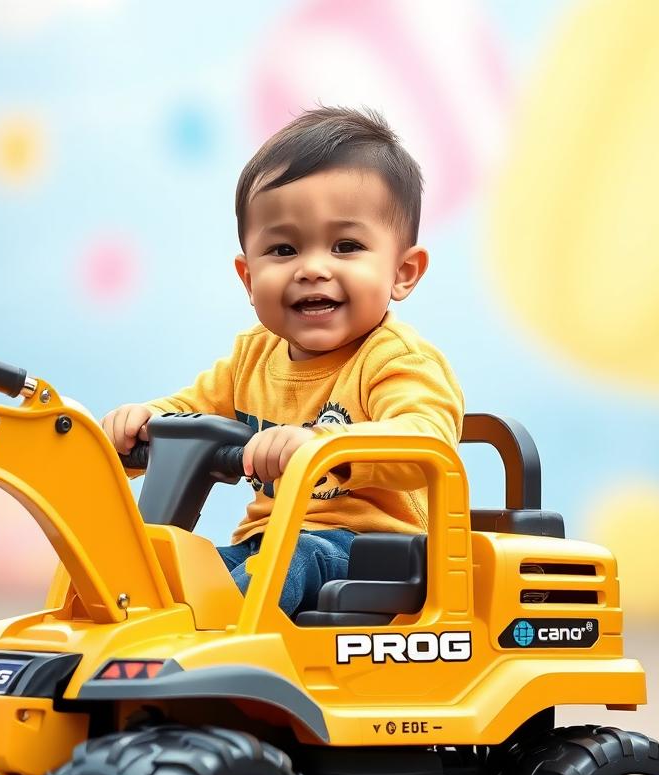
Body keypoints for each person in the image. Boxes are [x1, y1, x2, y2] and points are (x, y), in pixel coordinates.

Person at [101, 106, 463, 616]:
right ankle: (151, 645)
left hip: (370, 552)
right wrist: (142, 422)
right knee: (165, 570)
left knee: (287, 562)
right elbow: (190, 412)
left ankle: (211, 649)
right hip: (267, 547)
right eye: (284, 249)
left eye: (346, 245)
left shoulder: (394, 360)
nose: (313, 268)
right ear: (248, 278)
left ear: (403, 272)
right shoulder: (253, 357)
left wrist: (323, 447)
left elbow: (426, 439)